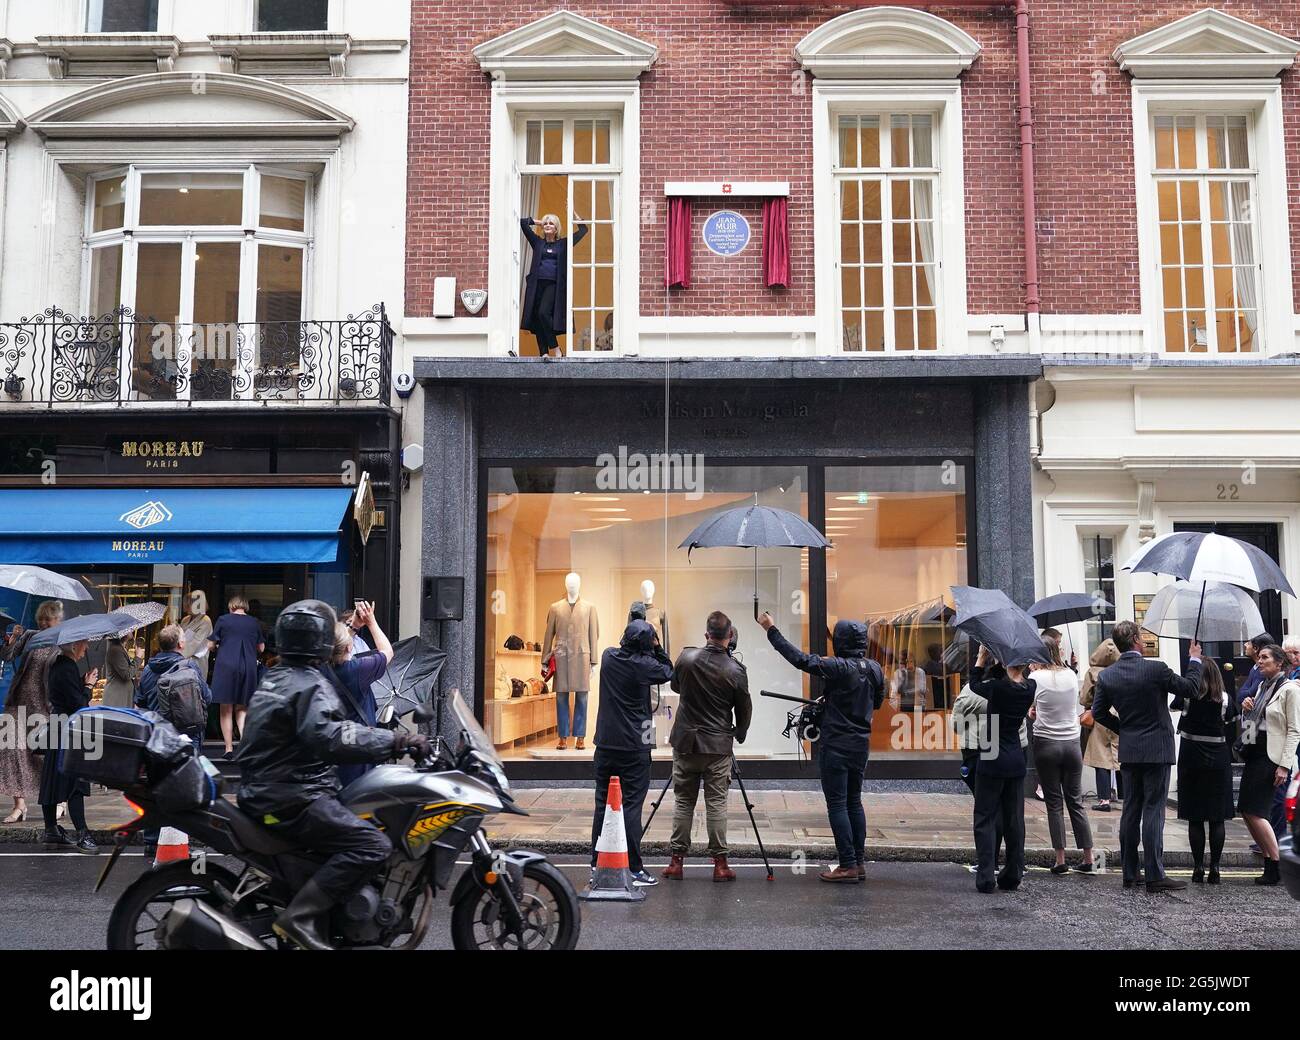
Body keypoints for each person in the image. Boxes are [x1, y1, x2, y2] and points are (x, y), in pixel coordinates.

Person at [236, 600, 426, 950]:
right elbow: (333, 735)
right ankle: (299, 917)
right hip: (294, 795)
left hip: (268, 789)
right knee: (372, 844)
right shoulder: (308, 683)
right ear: (319, 641)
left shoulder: (277, 675)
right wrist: (397, 740)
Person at [760, 612, 884, 883]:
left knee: (837, 803)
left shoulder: (838, 666)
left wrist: (771, 629)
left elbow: (799, 660)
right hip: (861, 745)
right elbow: (876, 703)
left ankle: (847, 865)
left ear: (840, 641)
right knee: (854, 801)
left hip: (836, 745)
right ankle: (859, 862)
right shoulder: (874, 668)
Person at [1089, 620, 1201, 893]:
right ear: (1137, 639)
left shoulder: (1107, 676)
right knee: (1153, 810)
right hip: (1158, 750)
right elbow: (1191, 689)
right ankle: (1154, 875)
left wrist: (1124, 729)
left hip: (1130, 749)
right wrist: (1195, 660)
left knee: (1131, 810)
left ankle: (1130, 873)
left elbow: (1099, 713)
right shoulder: (1156, 669)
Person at [663, 611, 752, 882]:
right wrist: (741, 732)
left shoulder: (686, 658)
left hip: (686, 743)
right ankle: (720, 865)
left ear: (706, 635)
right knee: (716, 803)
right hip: (717, 746)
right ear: (730, 636)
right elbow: (744, 708)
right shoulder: (736, 670)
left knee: (683, 801)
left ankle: (676, 863)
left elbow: (676, 686)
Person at [590, 620, 673, 888]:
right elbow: (668, 670)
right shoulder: (645, 666)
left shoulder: (608, 657)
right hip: (635, 747)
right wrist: (657, 647)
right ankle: (635, 868)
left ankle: (596, 863)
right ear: (647, 644)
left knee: (603, 804)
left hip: (605, 745)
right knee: (631, 808)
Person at [968, 645, 1035, 893]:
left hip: (992, 753)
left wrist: (980, 659)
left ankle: (986, 876)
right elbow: (1001, 676)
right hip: (1016, 757)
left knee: (985, 817)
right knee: (1014, 819)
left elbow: (975, 685)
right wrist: (1000, 662)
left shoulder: (997, 688)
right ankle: (1013, 874)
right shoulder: (1030, 687)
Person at [1029, 634, 1095, 873]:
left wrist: (1032, 711)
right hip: (1071, 744)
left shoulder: (1035, 677)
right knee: (1075, 802)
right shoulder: (1070, 675)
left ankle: (1061, 860)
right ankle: (1088, 858)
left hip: (1046, 744)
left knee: (1054, 803)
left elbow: (1032, 707)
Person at [1237, 644, 1300, 886]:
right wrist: (1246, 710)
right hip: (1255, 751)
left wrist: (1284, 766)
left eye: (1265, 658)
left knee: (1256, 810)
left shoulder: (1289, 690)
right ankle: (1269, 860)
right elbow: (1254, 723)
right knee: (1245, 808)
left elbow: (1294, 730)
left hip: (1271, 757)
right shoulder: (1263, 686)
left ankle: (1276, 864)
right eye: (1260, 657)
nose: (1259, 661)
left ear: (1279, 663)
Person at [1171, 657, 1236, 884]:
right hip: (1218, 758)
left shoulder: (1188, 696)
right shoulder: (1226, 699)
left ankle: (1198, 867)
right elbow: (1231, 719)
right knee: (1217, 817)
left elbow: (1173, 705)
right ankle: (1215, 868)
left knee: (1195, 816)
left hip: (1190, 757)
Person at [0, 600, 64, 825]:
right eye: (41, 619)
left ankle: (58, 801)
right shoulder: (30, 636)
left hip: (43, 706)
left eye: (48, 619)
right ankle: (19, 805)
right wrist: (14, 637)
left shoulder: (62, 641)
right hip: (18, 702)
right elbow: (7, 656)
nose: (44, 623)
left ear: (58, 620)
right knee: (11, 750)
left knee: (44, 755)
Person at [39, 640, 98, 853]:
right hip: (68, 729)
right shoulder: (66, 667)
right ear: (74, 646)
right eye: (85, 644)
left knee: (53, 778)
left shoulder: (60, 665)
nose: (87, 648)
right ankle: (83, 833)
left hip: (59, 726)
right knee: (76, 781)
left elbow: (68, 695)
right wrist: (89, 686)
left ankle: (51, 829)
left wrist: (81, 683)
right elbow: (78, 705)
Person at [328, 601, 394, 790]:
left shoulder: (320, 669)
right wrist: (371, 622)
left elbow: (336, 645)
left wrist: (353, 625)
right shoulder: (357, 671)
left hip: (333, 745)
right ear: (350, 647)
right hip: (359, 745)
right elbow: (387, 652)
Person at [519, 213, 588, 359]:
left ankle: (556, 348)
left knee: (543, 313)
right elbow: (523, 223)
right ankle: (543, 352)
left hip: (554, 285)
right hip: (536, 284)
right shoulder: (538, 242)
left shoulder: (563, 244)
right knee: (537, 317)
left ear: (557, 228)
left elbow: (583, 231)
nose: (548, 226)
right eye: (546, 224)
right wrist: (540, 222)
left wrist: (575, 216)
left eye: (551, 223)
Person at [208, 596, 265, 760]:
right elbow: (261, 647)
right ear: (244, 607)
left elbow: (211, 644)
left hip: (226, 666)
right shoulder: (254, 622)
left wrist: (216, 645)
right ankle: (246, 745)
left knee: (225, 709)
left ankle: (228, 748)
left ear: (231, 606)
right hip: (248, 667)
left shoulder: (223, 620)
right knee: (242, 708)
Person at [1079, 639, 1122, 811]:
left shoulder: (1092, 673)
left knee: (1101, 759)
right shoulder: (1120, 670)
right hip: (1119, 715)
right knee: (1121, 758)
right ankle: (1124, 796)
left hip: (1099, 716)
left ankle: (1104, 800)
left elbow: (1085, 698)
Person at [1234, 632, 1275, 708]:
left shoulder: (1262, 672)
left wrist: (1244, 693)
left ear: (1255, 648)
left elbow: (1247, 694)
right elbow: (1241, 695)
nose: (1245, 644)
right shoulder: (1255, 667)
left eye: (1249, 643)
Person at [100, 635, 136, 708]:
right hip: (117, 699)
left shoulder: (120, 648)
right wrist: (138, 658)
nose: (131, 629)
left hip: (120, 697)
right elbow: (127, 674)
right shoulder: (115, 650)